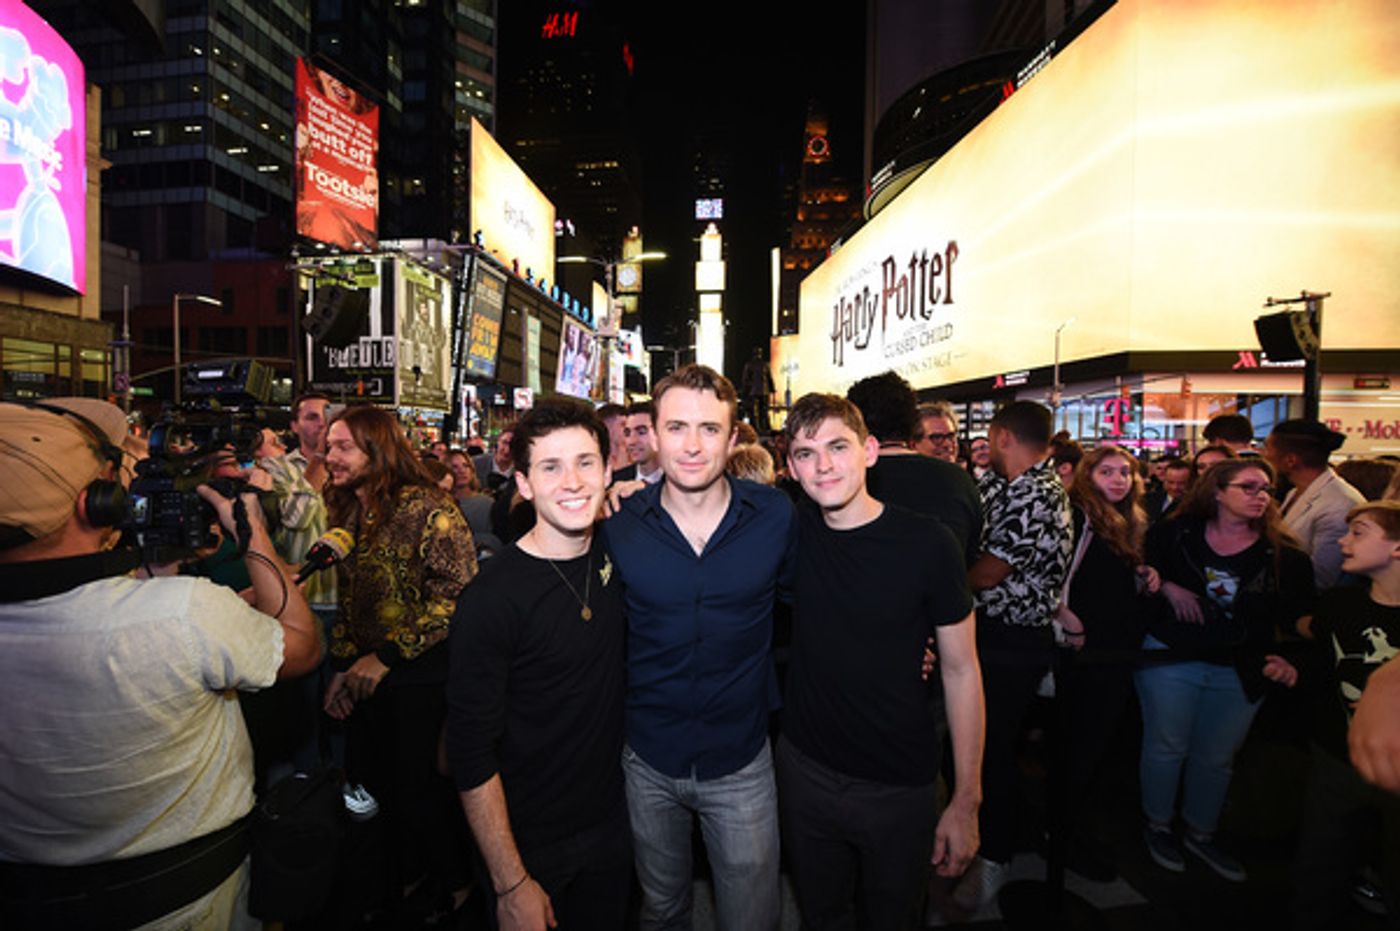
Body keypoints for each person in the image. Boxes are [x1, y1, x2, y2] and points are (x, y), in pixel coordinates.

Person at [0, 399, 320, 930]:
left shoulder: (167, 609)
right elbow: (302, 645)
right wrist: (251, 531)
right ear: (95, 504)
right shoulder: (182, 613)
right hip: (190, 902)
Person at [777, 393, 983, 929]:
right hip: (805, 772)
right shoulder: (789, 532)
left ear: (869, 450)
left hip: (899, 782)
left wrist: (966, 801)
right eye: (805, 452)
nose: (823, 465)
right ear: (791, 467)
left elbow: (962, 671)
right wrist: (630, 490)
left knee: (893, 917)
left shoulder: (927, 543)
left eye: (837, 446)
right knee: (822, 915)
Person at [603, 364, 796, 931]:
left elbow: (817, 599)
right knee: (662, 910)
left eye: (710, 429)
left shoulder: (774, 517)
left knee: (753, 916)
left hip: (740, 760)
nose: (692, 446)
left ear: (733, 439)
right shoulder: (618, 521)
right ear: (652, 435)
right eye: (678, 427)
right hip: (645, 758)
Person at [448, 399, 631, 931]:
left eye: (585, 463)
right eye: (551, 467)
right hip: (528, 842)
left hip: (611, 823)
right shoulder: (491, 599)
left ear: (608, 470)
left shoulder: (617, 550)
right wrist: (509, 881)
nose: (572, 482)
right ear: (523, 483)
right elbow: (469, 749)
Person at [322, 405, 478, 921]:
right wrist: (344, 667)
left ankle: (458, 893)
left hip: (422, 676)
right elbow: (350, 599)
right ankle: (401, 884)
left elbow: (458, 598)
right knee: (369, 792)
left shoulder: (428, 507)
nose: (330, 456)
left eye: (343, 446)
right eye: (329, 445)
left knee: (420, 794)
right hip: (367, 677)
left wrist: (386, 657)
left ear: (377, 448)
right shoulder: (346, 508)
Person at [1137, 458, 1313, 881]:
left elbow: (1299, 616)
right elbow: (1140, 576)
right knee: (1166, 745)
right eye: (1248, 487)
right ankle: (1158, 825)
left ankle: (1202, 831)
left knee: (1216, 757)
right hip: (1172, 654)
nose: (1260, 496)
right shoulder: (1174, 535)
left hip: (1239, 663)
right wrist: (1167, 587)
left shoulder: (1283, 555)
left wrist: (1299, 656)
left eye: (1266, 489)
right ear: (1217, 491)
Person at [953, 400, 1072, 910]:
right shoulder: (1007, 485)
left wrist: (931, 589)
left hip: (1012, 641)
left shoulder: (1038, 494)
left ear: (1003, 436)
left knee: (991, 750)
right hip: (991, 634)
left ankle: (996, 856)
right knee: (979, 748)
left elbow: (988, 572)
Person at [1290, 501, 1400, 928]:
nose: (1342, 540)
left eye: (1359, 532)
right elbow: (1323, 664)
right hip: (1337, 755)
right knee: (1320, 856)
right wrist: (1293, 669)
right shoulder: (1339, 605)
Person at [1054, 445, 1160, 878]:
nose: (1118, 480)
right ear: (1086, 475)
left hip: (1116, 648)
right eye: (1107, 472)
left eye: (1126, 473)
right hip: (1087, 651)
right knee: (1082, 743)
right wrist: (1066, 616)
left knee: (1097, 743)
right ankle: (1064, 834)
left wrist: (1143, 574)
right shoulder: (1080, 516)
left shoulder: (1125, 522)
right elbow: (1056, 574)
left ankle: (1074, 827)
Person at [846, 371, 983, 564]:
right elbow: (971, 551)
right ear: (912, 422)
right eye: (937, 437)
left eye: (952, 435)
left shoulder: (845, 481)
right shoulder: (958, 480)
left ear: (856, 423)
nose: (947, 444)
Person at [1265, 419, 1367, 590]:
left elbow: (1322, 577)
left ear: (1291, 460)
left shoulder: (1338, 504)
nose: (1264, 455)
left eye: (1268, 448)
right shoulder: (1295, 492)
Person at [618, 400, 662, 485]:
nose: (632, 441)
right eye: (627, 433)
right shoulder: (617, 481)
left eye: (641, 432)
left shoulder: (678, 482)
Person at [1142, 457, 1191, 525]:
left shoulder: (1196, 505)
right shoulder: (1148, 500)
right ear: (1164, 479)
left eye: (1181, 483)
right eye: (1171, 482)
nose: (1175, 487)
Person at [475, 427, 516, 494]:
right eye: (504, 442)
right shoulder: (476, 463)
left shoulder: (522, 469)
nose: (507, 450)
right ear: (498, 441)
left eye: (513, 445)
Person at [597, 402, 632, 474]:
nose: (628, 429)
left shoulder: (635, 458)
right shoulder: (595, 460)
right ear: (607, 426)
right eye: (623, 424)